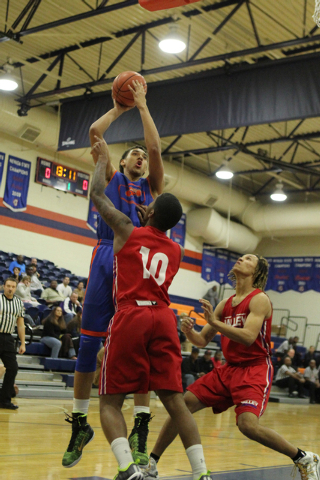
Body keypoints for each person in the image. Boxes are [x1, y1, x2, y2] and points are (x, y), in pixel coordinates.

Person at [90, 137, 210, 480]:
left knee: (111, 401)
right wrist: (153, 221)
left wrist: (103, 161)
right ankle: (202, 472)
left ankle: (128, 468)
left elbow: (97, 196)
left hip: (132, 314)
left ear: (150, 213)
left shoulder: (127, 230)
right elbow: (156, 235)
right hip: (163, 317)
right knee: (174, 401)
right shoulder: (177, 251)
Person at [62, 81, 164, 468]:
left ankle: (140, 424)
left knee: (138, 353)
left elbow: (155, 148)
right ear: (121, 163)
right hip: (107, 256)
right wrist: (120, 108)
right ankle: (79, 422)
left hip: (138, 262)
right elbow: (95, 133)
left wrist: (141, 106)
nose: (139, 156)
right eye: (132, 154)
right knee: (88, 346)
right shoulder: (109, 177)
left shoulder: (153, 189)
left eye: (141, 154)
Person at [145, 254, 319, 480]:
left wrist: (214, 322)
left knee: (247, 425)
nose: (241, 259)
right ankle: (152, 464)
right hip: (230, 368)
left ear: (256, 272)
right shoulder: (224, 304)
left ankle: (302, 457)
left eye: (248, 259)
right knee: (182, 405)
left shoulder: (259, 299)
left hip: (255, 368)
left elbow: (247, 337)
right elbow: (201, 341)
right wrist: (189, 332)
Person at [0, 277, 25, 409]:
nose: (10, 288)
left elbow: (20, 324)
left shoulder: (18, 302)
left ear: (15, 288)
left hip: (8, 337)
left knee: (13, 368)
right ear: (4, 286)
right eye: (8, 286)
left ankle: (4, 400)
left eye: (13, 286)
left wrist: (23, 343)